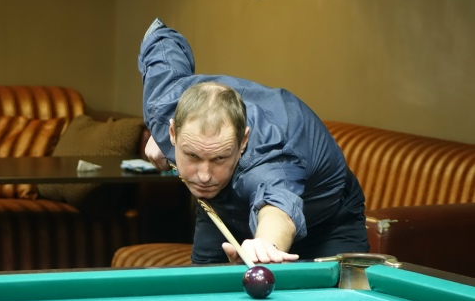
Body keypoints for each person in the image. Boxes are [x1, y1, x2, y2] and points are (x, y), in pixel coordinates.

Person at [138, 18, 369, 265]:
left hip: (325, 225)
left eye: (219, 158)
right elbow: (160, 38)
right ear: (173, 132)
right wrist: (160, 135)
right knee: (203, 282)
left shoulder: (270, 156)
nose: (204, 175)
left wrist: (266, 246)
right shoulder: (163, 105)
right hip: (223, 206)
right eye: (193, 155)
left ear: (243, 141)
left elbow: (278, 207)